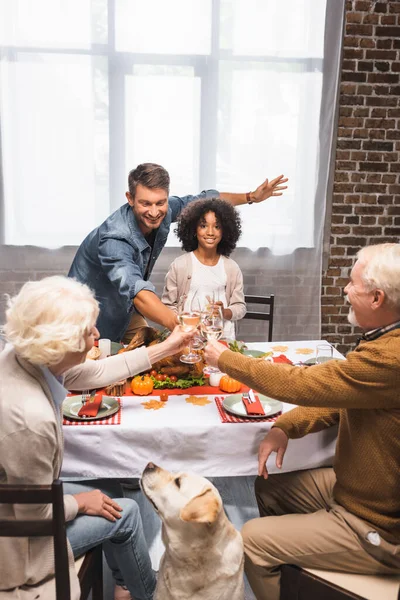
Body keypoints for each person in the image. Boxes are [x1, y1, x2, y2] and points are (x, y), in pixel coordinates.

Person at [204, 242, 400, 600]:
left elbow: (303, 384)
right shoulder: (383, 338)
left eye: (352, 285)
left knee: (250, 540)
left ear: (376, 298)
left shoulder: (392, 357)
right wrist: (285, 426)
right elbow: (341, 398)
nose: (344, 290)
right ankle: (294, 575)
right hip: (354, 492)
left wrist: (226, 359)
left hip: (380, 527)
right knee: (268, 488)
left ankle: (280, 564)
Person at [0, 276, 193, 600]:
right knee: (127, 513)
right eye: (89, 330)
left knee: (111, 488)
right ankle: (149, 594)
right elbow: (35, 517)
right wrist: (78, 502)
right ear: (61, 342)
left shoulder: (24, 356)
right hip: (16, 546)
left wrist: (166, 348)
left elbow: (94, 373)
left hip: (21, 503)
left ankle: (124, 585)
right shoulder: (30, 420)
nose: (98, 335)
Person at [68, 163, 288, 343]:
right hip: (87, 317)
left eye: (160, 203)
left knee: (153, 357)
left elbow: (205, 199)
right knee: (94, 379)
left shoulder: (166, 210)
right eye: (145, 203)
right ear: (130, 197)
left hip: (124, 311)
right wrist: (181, 325)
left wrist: (251, 196)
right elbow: (138, 293)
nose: (154, 212)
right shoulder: (114, 238)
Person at [161, 198, 246, 339]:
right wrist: (184, 325)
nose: (210, 232)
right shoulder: (180, 265)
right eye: (203, 226)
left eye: (217, 226)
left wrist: (224, 312)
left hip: (222, 340)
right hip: (188, 341)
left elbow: (240, 307)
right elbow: (167, 306)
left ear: (225, 230)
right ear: (194, 229)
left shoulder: (232, 268)